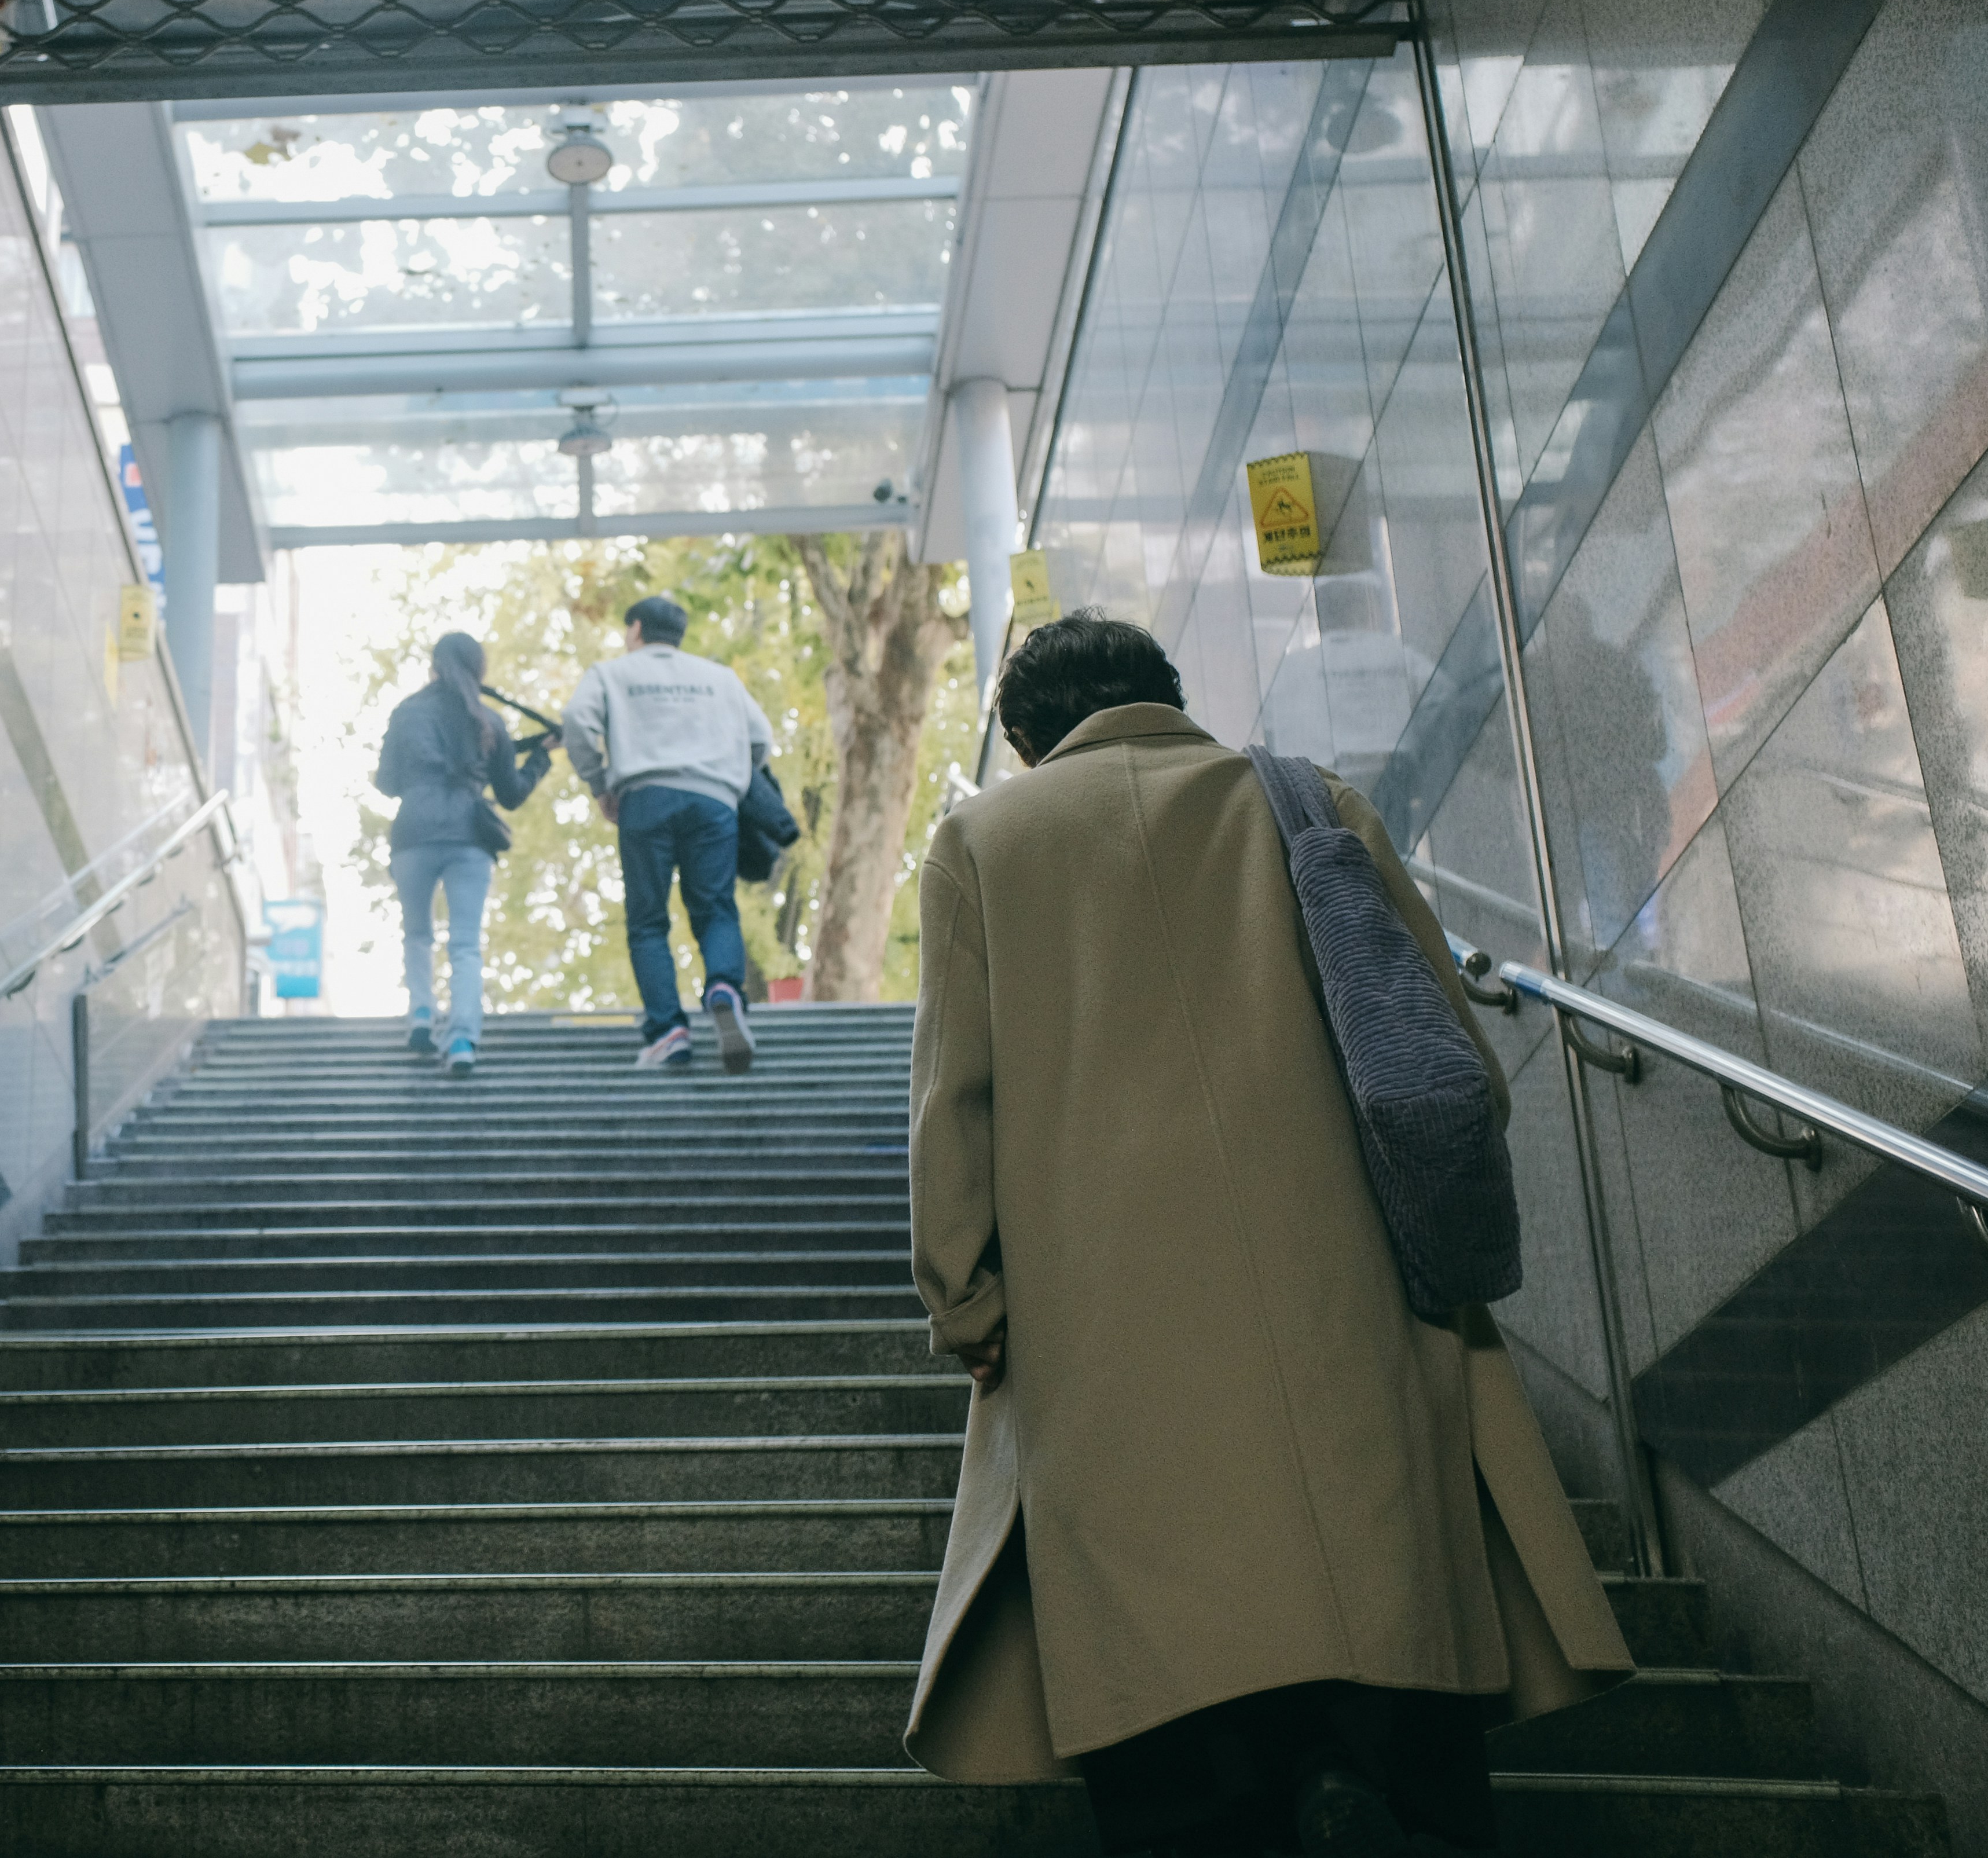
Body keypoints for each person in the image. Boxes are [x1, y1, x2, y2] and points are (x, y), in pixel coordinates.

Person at [903, 611, 1633, 1856]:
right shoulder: (1303, 800)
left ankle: (1236, 1788)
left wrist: (966, 1303)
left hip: (1103, 1316)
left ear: (1027, 739)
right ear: (1166, 695)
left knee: (1161, 1634)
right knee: (1369, 1565)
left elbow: (952, 1103)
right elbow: (1444, 1059)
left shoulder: (984, 840)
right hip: (1341, 1284)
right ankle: (1355, 1772)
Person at [562, 593, 773, 1073]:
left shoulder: (612, 674)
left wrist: (599, 785)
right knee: (716, 908)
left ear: (636, 629)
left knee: (648, 921)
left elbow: (576, 721)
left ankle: (668, 1032)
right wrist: (730, 780)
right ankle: (723, 988)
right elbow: (761, 737)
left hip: (644, 798)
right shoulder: (720, 678)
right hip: (714, 801)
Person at [373, 631, 553, 1077]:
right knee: (465, 944)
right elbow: (510, 795)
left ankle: (420, 1014)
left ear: (434, 666)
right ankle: (460, 1040)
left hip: (413, 831)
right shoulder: (487, 719)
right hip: (469, 834)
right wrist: (541, 758)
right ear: (479, 669)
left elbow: (386, 783)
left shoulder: (406, 713)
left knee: (416, 933)